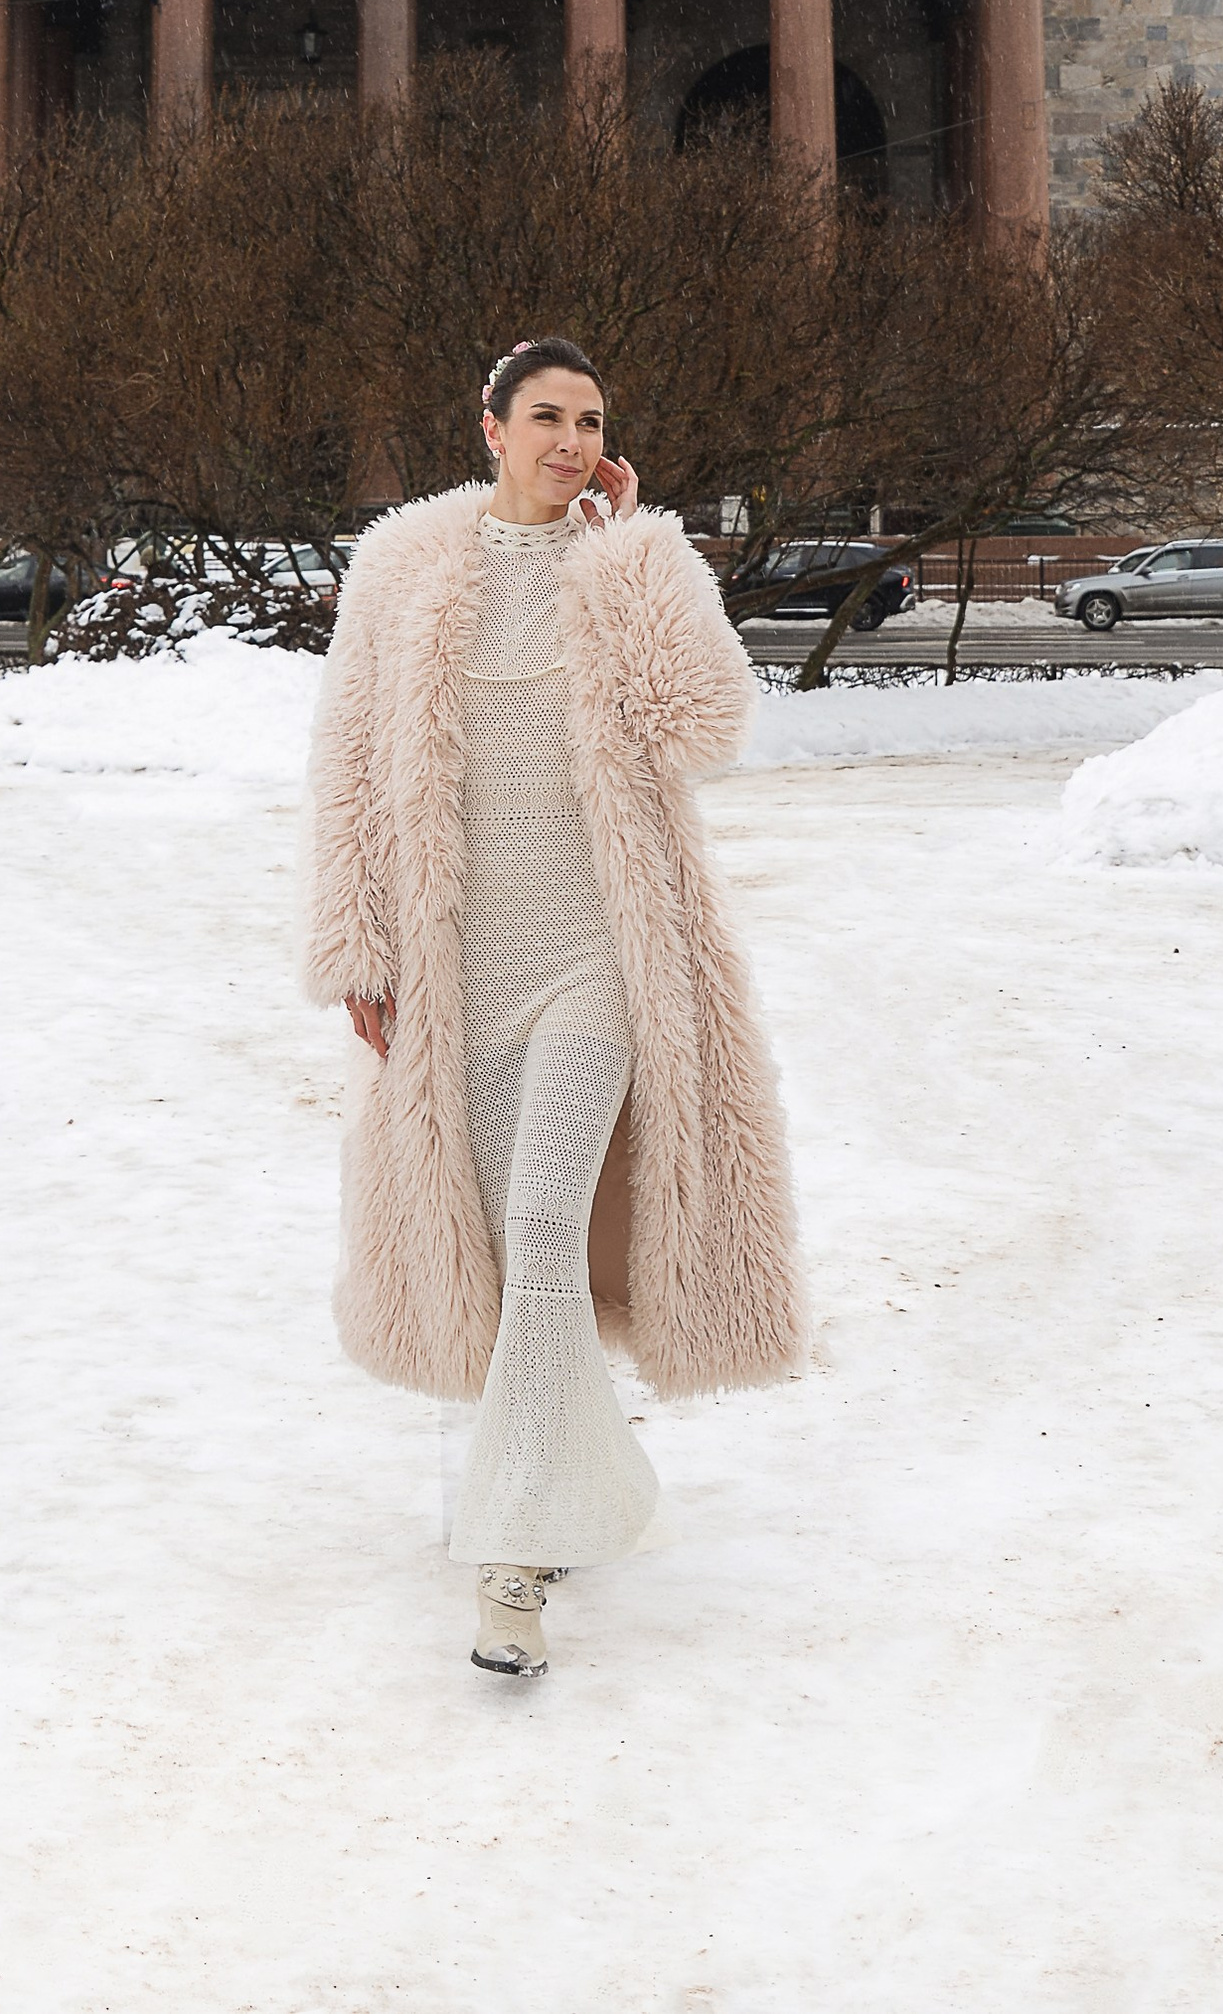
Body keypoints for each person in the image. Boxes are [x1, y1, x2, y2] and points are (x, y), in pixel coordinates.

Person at [302, 336, 804, 1678]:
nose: (571, 440)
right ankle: (590, 1467)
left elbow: (707, 719)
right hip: (462, 960)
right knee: (503, 1238)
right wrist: (357, 942)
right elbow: (347, 761)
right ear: (491, 427)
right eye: (546, 415)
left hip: (601, 949)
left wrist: (641, 549)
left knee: (539, 1219)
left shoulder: (621, 565)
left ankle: (511, 1561)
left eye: (590, 420)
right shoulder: (401, 568)